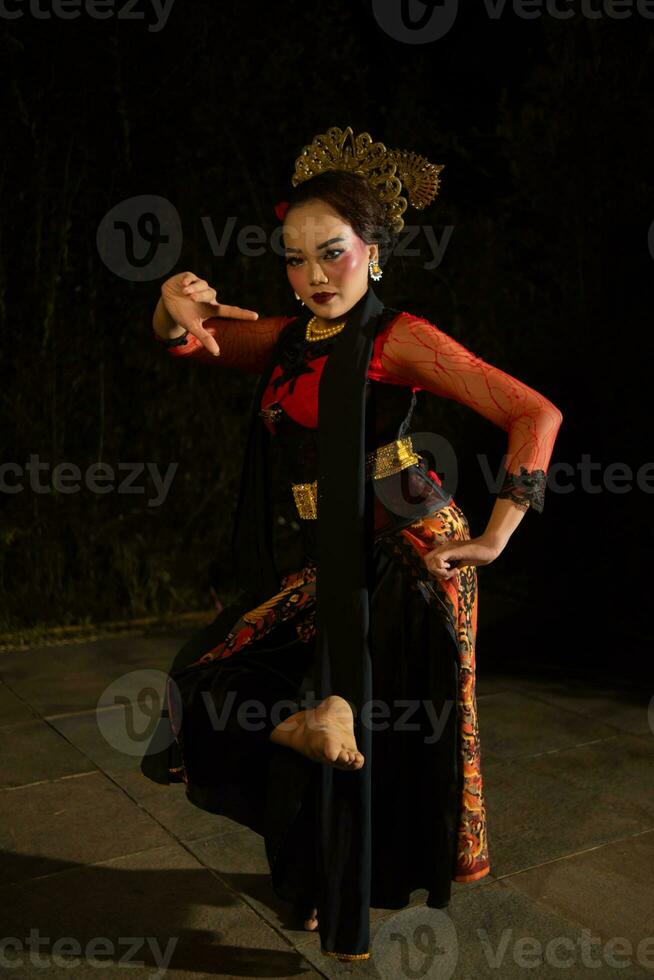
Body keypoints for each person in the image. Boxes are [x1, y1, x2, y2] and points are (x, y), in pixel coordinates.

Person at [139, 126, 563, 962]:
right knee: (212, 675)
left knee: (388, 735)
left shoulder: (398, 335)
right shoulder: (292, 338)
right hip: (323, 554)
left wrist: (496, 535)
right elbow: (196, 342)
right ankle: (318, 863)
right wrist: (170, 298)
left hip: (409, 552)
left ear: (372, 252)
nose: (312, 277)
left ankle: (341, 890)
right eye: (294, 260)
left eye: (331, 254)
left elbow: (534, 413)